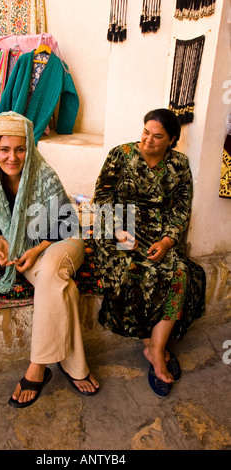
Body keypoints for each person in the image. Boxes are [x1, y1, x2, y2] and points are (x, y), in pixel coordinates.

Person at [0, 111, 99, 408]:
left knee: (54, 266)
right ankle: (75, 366)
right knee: (61, 287)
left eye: (20, 149)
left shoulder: (43, 175)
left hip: (62, 242)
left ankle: (37, 368)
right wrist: (0, 242)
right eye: (4, 149)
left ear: (30, 147)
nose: (12, 157)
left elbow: (65, 224)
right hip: (26, 252)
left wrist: (34, 250)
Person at [92, 108, 205, 398]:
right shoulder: (121, 155)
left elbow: (181, 208)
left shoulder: (179, 164)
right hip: (120, 231)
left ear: (172, 140)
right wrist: (117, 230)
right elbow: (101, 198)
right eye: (145, 132)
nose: (148, 140)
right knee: (130, 273)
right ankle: (154, 346)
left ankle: (155, 349)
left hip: (159, 234)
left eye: (157, 136)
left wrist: (168, 242)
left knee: (181, 272)